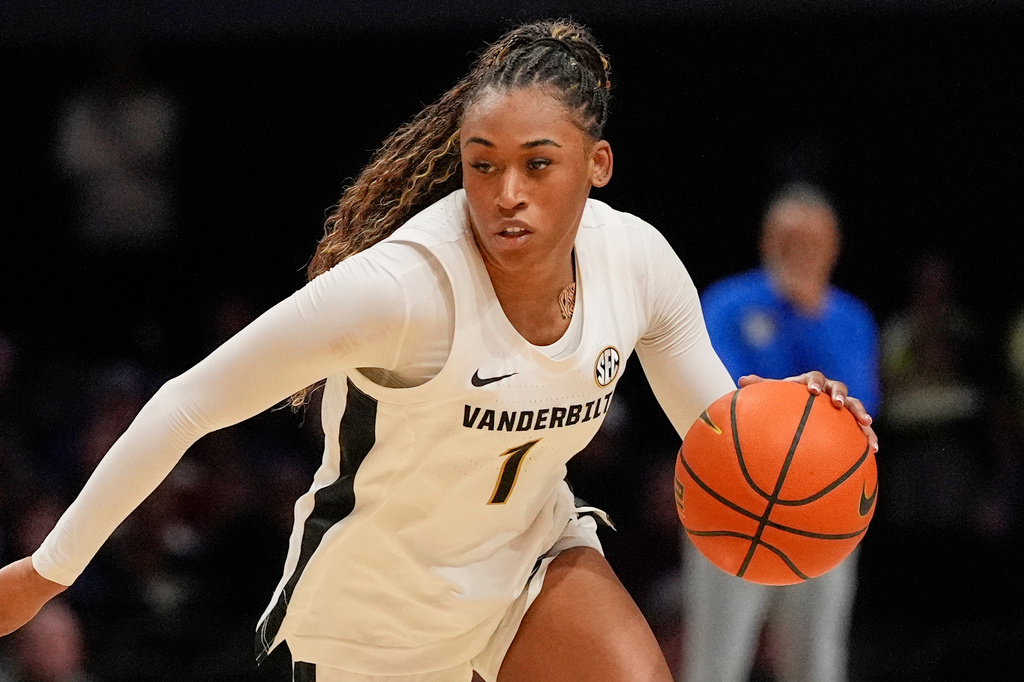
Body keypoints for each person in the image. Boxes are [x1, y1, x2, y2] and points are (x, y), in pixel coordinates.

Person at [0, 22, 876, 682]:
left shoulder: (636, 262)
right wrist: (48, 572)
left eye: (540, 165)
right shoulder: (403, 289)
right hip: (379, 606)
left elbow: (719, 443)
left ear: (597, 164)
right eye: (483, 163)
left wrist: (794, 428)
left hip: (532, 553)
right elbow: (188, 402)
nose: (507, 193)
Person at [680, 183, 880, 682]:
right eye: (786, 240)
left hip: (826, 508)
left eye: (810, 241)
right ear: (766, 242)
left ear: (834, 247)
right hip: (733, 499)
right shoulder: (727, 302)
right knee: (715, 662)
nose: (797, 252)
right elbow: (717, 392)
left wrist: (808, 313)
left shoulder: (851, 316)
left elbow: (865, 406)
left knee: (816, 664)